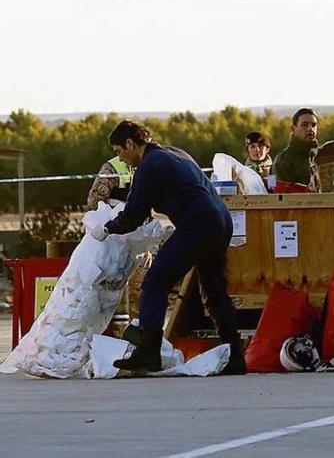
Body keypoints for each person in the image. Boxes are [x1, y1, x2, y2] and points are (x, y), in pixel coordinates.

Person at [90, 120, 246, 375]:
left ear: (130, 143)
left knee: (156, 281)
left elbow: (134, 215)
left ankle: (148, 353)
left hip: (198, 224)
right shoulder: (173, 153)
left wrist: (106, 228)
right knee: (214, 289)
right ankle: (235, 356)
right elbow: (141, 193)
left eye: (119, 151)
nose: (121, 158)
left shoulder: (149, 165)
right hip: (220, 220)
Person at [273, 108, 320, 191]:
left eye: (313, 125)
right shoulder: (282, 160)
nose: (310, 129)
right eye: (305, 125)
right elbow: (278, 194)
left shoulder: (321, 157)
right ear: (293, 129)